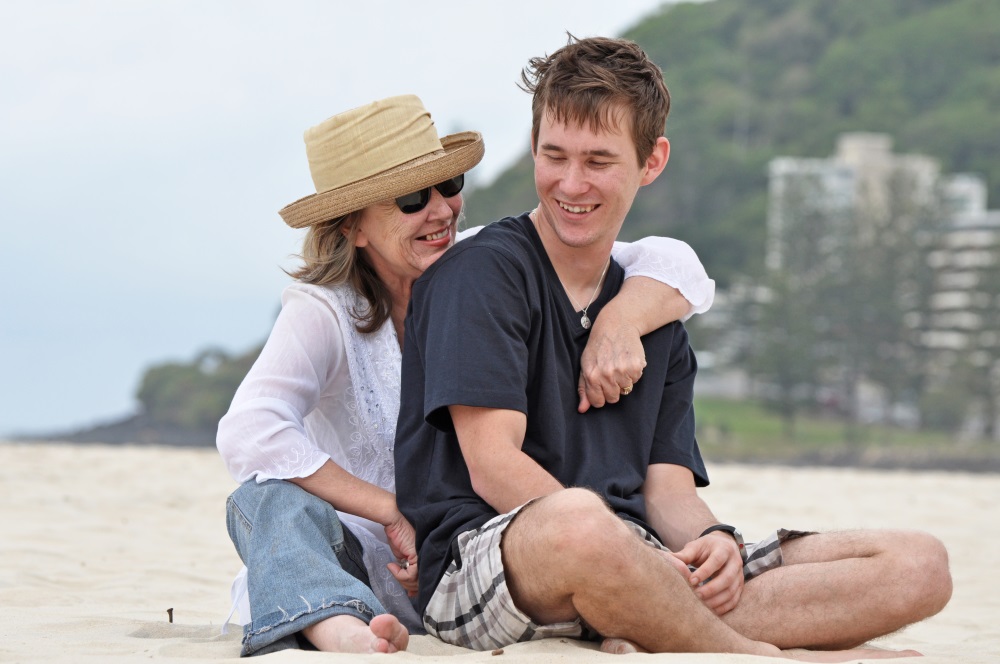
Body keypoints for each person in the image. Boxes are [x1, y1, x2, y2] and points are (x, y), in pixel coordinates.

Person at [394, 37, 952, 660]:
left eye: (599, 161)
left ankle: (649, 624)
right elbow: (494, 467)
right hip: (493, 560)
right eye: (554, 155)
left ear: (651, 161)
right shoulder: (481, 275)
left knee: (918, 565)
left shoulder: (653, 311)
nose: (571, 183)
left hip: (645, 561)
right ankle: (744, 652)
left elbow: (667, 493)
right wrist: (626, 554)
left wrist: (713, 541)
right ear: (533, 146)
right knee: (578, 521)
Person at [216, 94, 717, 656]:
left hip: (467, 558)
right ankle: (342, 631)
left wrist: (618, 322)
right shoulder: (325, 312)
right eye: (411, 199)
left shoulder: (479, 262)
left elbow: (675, 264)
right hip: (350, 556)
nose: (441, 212)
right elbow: (249, 431)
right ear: (353, 227)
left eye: (448, 186)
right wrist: (390, 510)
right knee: (264, 501)